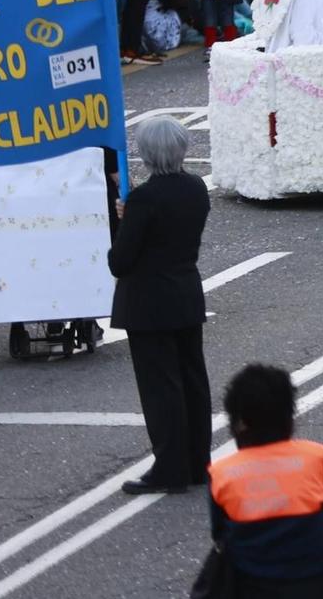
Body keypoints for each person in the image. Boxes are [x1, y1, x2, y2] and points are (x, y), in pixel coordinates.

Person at [107, 117, 212, 495]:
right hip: (185, 294)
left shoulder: (144, 200)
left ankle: (169, 467)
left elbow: (121, 260)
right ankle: (199, 462)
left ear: (147, 155)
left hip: (149, 304)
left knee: (161, 389)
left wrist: (126, 219)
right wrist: (132, 210)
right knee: (192, 381)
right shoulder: (196, 187)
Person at [209, 363, 323, 598]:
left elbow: (220, 533)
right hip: (312, 582)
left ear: (239, 424)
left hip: (251, 584)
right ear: (289, 418)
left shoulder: (222, 473)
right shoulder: (315, 458)